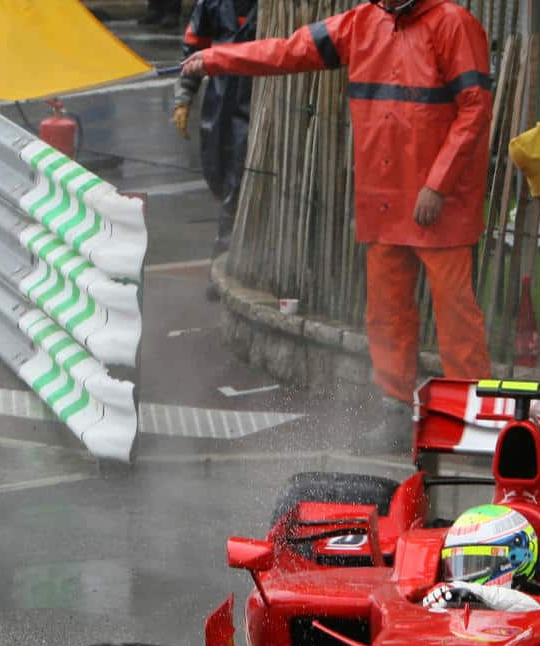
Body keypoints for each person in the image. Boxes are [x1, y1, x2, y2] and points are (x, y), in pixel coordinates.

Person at [180, 0, 494, 454]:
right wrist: (215, 57)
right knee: (386, 316)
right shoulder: (361, 23)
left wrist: (438, 185)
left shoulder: (452, 25)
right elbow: (288, 52)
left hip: (433, 205)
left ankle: (477, 424)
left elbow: (474, 109)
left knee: (456, 320)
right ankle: (396, 415)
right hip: (387, 199)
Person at [173, 0, 256, 269]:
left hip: (255, 99)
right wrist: (184, 96)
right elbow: (195, 45)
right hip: (220, 100)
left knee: (238, 183)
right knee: (217, 173)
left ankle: (224, 264)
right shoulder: (213, 3)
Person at [420, 505, 540, 612]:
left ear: (518, 558)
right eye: (457, 564)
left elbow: (534, 606)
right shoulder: (448, 595)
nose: (463, 575)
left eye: (477, 563)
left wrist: (470, 591)